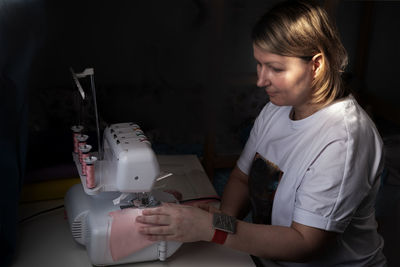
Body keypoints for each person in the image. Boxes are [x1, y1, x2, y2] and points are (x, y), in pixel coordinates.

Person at [136, 0, 386, 266]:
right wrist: (220, 219)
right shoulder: (275, 110)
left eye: (276, 69)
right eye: (259, 64)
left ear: (316, 65)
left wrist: (212, 228)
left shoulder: (344, 141)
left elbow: (305, 243)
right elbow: (242, 178)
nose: (261, 80)